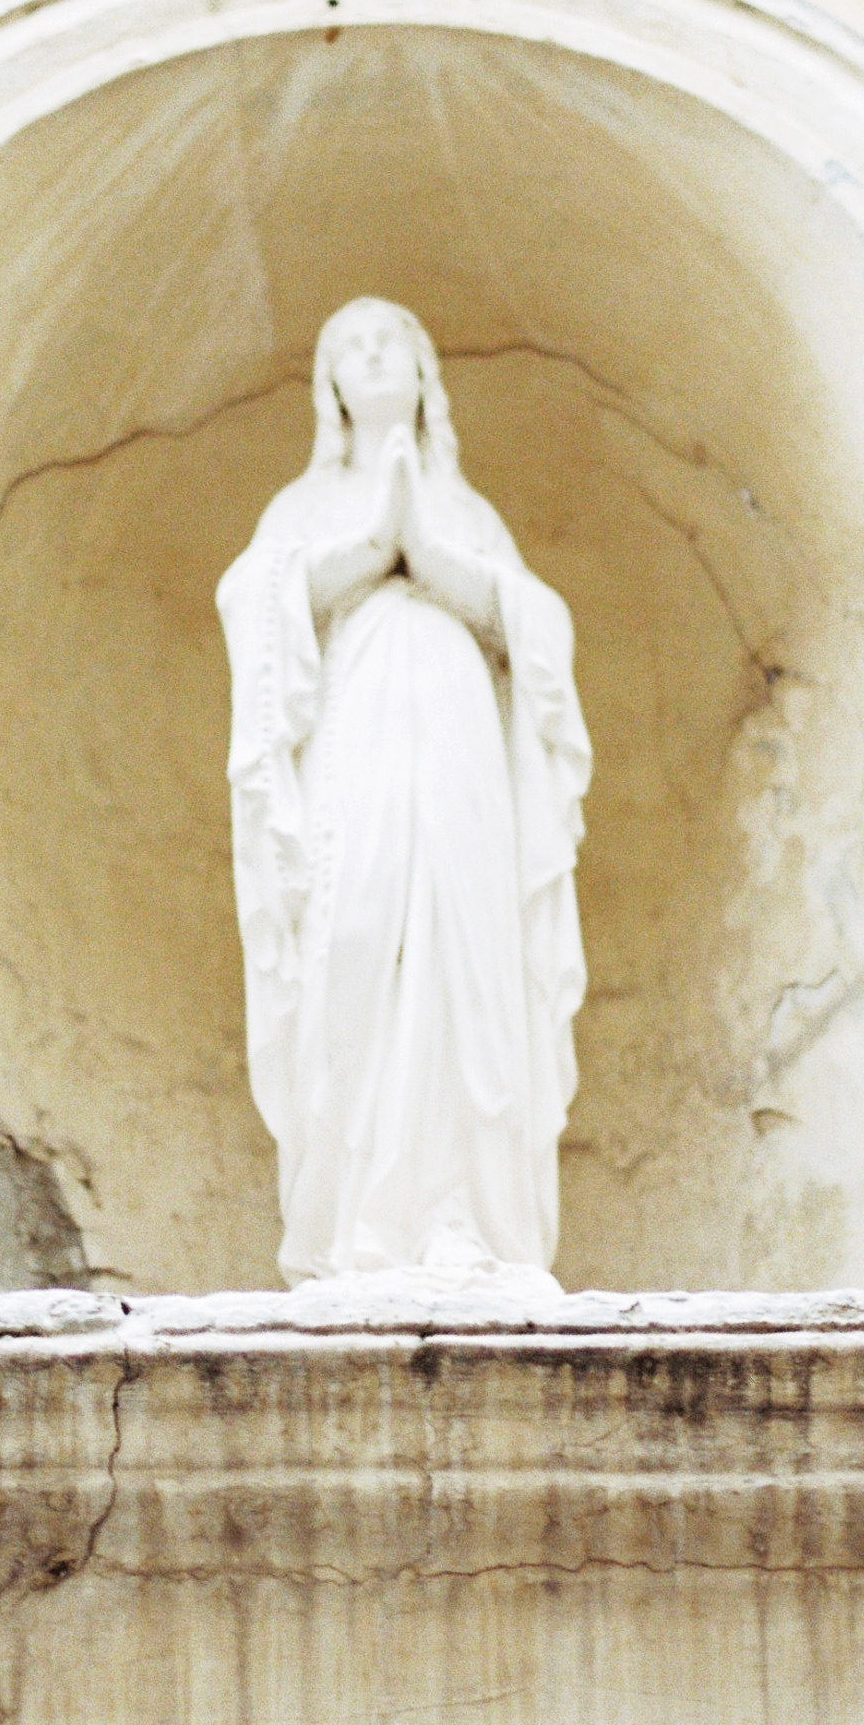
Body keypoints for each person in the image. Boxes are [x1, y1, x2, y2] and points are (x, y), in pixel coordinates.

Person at [217, 299, 590, 1279]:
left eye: (392, 341)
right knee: (354, 933)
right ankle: (357, 1224)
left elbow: (533, 623)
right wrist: (371, 543)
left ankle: (461, 1214)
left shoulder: (469, 513)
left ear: (427, 373)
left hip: (462, 739)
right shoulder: (302, 508)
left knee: (469, 950)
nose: (374, 353)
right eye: (351, 345)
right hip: (356, 733)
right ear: (330, 387)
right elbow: (252, 602)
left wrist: (429, 547)